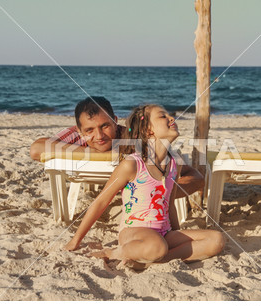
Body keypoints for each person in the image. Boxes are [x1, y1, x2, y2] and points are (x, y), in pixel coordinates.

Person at [64, 104, 224, 268]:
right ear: (148, 130)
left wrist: (177, 233)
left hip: (164, 233)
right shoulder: (133, 164)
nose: (171, 118)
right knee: (156, 246)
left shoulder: (174, 164)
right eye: (162, 116)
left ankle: (158, 260)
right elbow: (100, 202)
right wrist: (75, 241)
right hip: (134, 233)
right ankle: (112, 253)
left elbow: (169, 204)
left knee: (216, 240)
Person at [30, 96, 204, 198]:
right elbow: (36, 149)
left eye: (105, 126)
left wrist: (163, 196)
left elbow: (191, 174)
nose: (99, 136)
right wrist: (91, 152)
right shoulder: (78, 136)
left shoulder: (132, 136)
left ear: (115, 120)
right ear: (79, 130)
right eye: (89, 130)